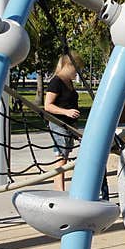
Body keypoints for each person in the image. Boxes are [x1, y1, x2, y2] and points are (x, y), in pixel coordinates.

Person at [44, 52, 83, 191]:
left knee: (66, 155)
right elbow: (48, 105)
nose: (78, 71)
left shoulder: (69, 83)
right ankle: (59, 190)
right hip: (59, 123)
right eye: (77, 68)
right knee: (61, 157)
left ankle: (62, 188)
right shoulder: (56, 81)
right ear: (68, 66)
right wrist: (66, 112)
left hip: (70, 124)